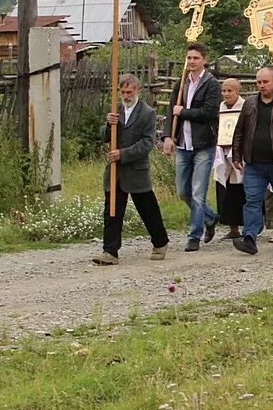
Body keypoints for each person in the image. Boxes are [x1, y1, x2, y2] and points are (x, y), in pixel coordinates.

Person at [94, 74, 169, 266]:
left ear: (137, 90)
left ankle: (160, 242)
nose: (126, 95)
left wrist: (123, 154)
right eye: (123, 92)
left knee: (147, 208)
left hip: (136, 169)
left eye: (129, 92)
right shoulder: (115, 109)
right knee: (112, 210)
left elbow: (147, 143)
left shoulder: (147, 113)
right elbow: (103, 136)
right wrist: (108, 125)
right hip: (115, 171)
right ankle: (110, 251)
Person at [230, 67, 273, 255]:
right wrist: (237, 155)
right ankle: (250, 238)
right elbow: (240, 130)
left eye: (265, 82)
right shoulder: (250, 104)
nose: (262, 86)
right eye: (259, 82)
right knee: (252, 200)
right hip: (254, 163)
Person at [161, 42, 221, 252]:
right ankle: (211, 217)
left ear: (204, 59)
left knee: (197, 192)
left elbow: (209, 112)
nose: (192, 62)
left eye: (196, 58)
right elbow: (171, 111)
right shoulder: (181, 83)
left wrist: (183, 112)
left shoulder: (212, 83)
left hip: (204, 144)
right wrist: (167, 136)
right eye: (189, 58)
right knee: (183, 191)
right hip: (183, 144)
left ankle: (194, 236)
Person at [213, 78, 246, 240]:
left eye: (229, 91)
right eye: (224, 91)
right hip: (223, 153)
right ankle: (232, 227)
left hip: (239, 153)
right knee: (226, 190)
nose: (226, 94)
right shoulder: (221, 107)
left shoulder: (245, 106)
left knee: (239, 190)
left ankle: (249, 224)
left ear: (237, 92)